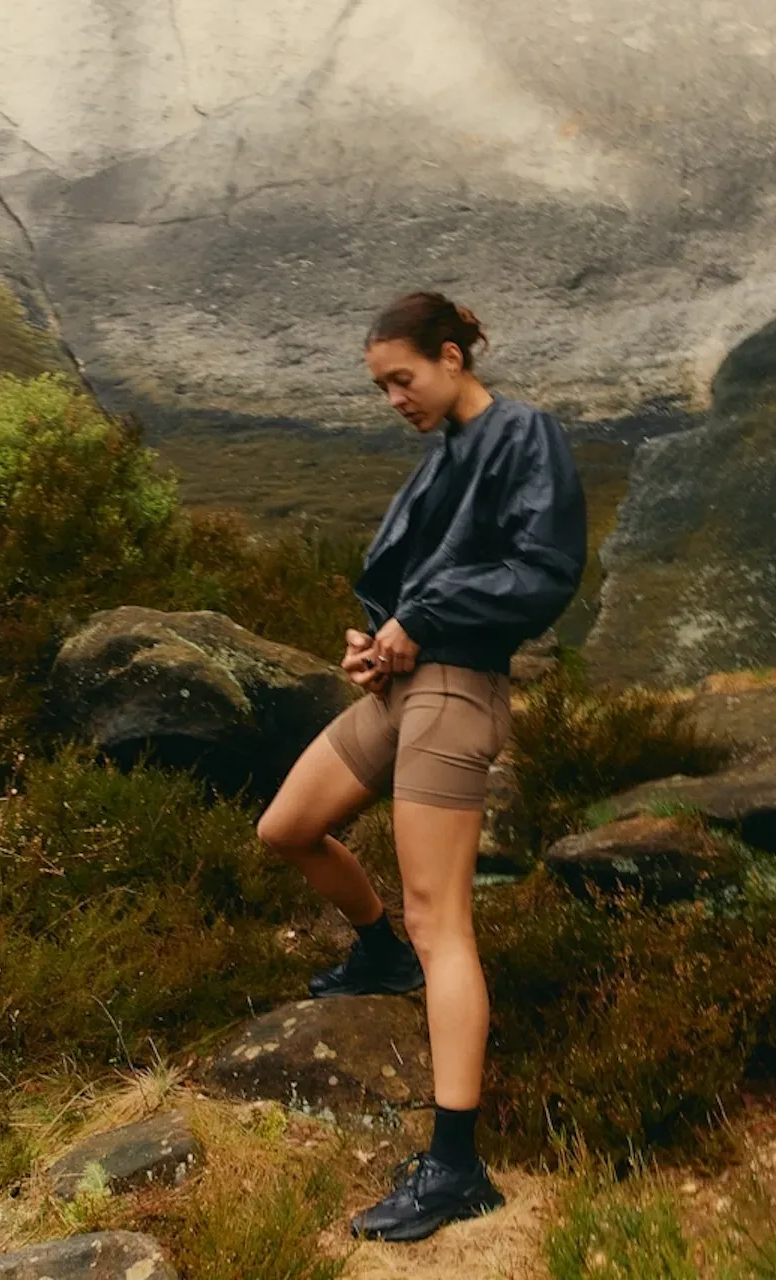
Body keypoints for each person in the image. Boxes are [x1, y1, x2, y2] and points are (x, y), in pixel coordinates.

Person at [255, 291, 589, 1242]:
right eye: (381, 387)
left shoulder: (525, 434)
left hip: (456, 692)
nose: (394, 398)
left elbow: (543, 570)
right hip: (402, 690)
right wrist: (375, 641)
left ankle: (455, 1166)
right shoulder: (443, 454)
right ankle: (378, 954)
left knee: (442, 918)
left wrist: (421, 625)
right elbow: (415, 588)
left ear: (452, 357)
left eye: (402, 379)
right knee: (289, 827)